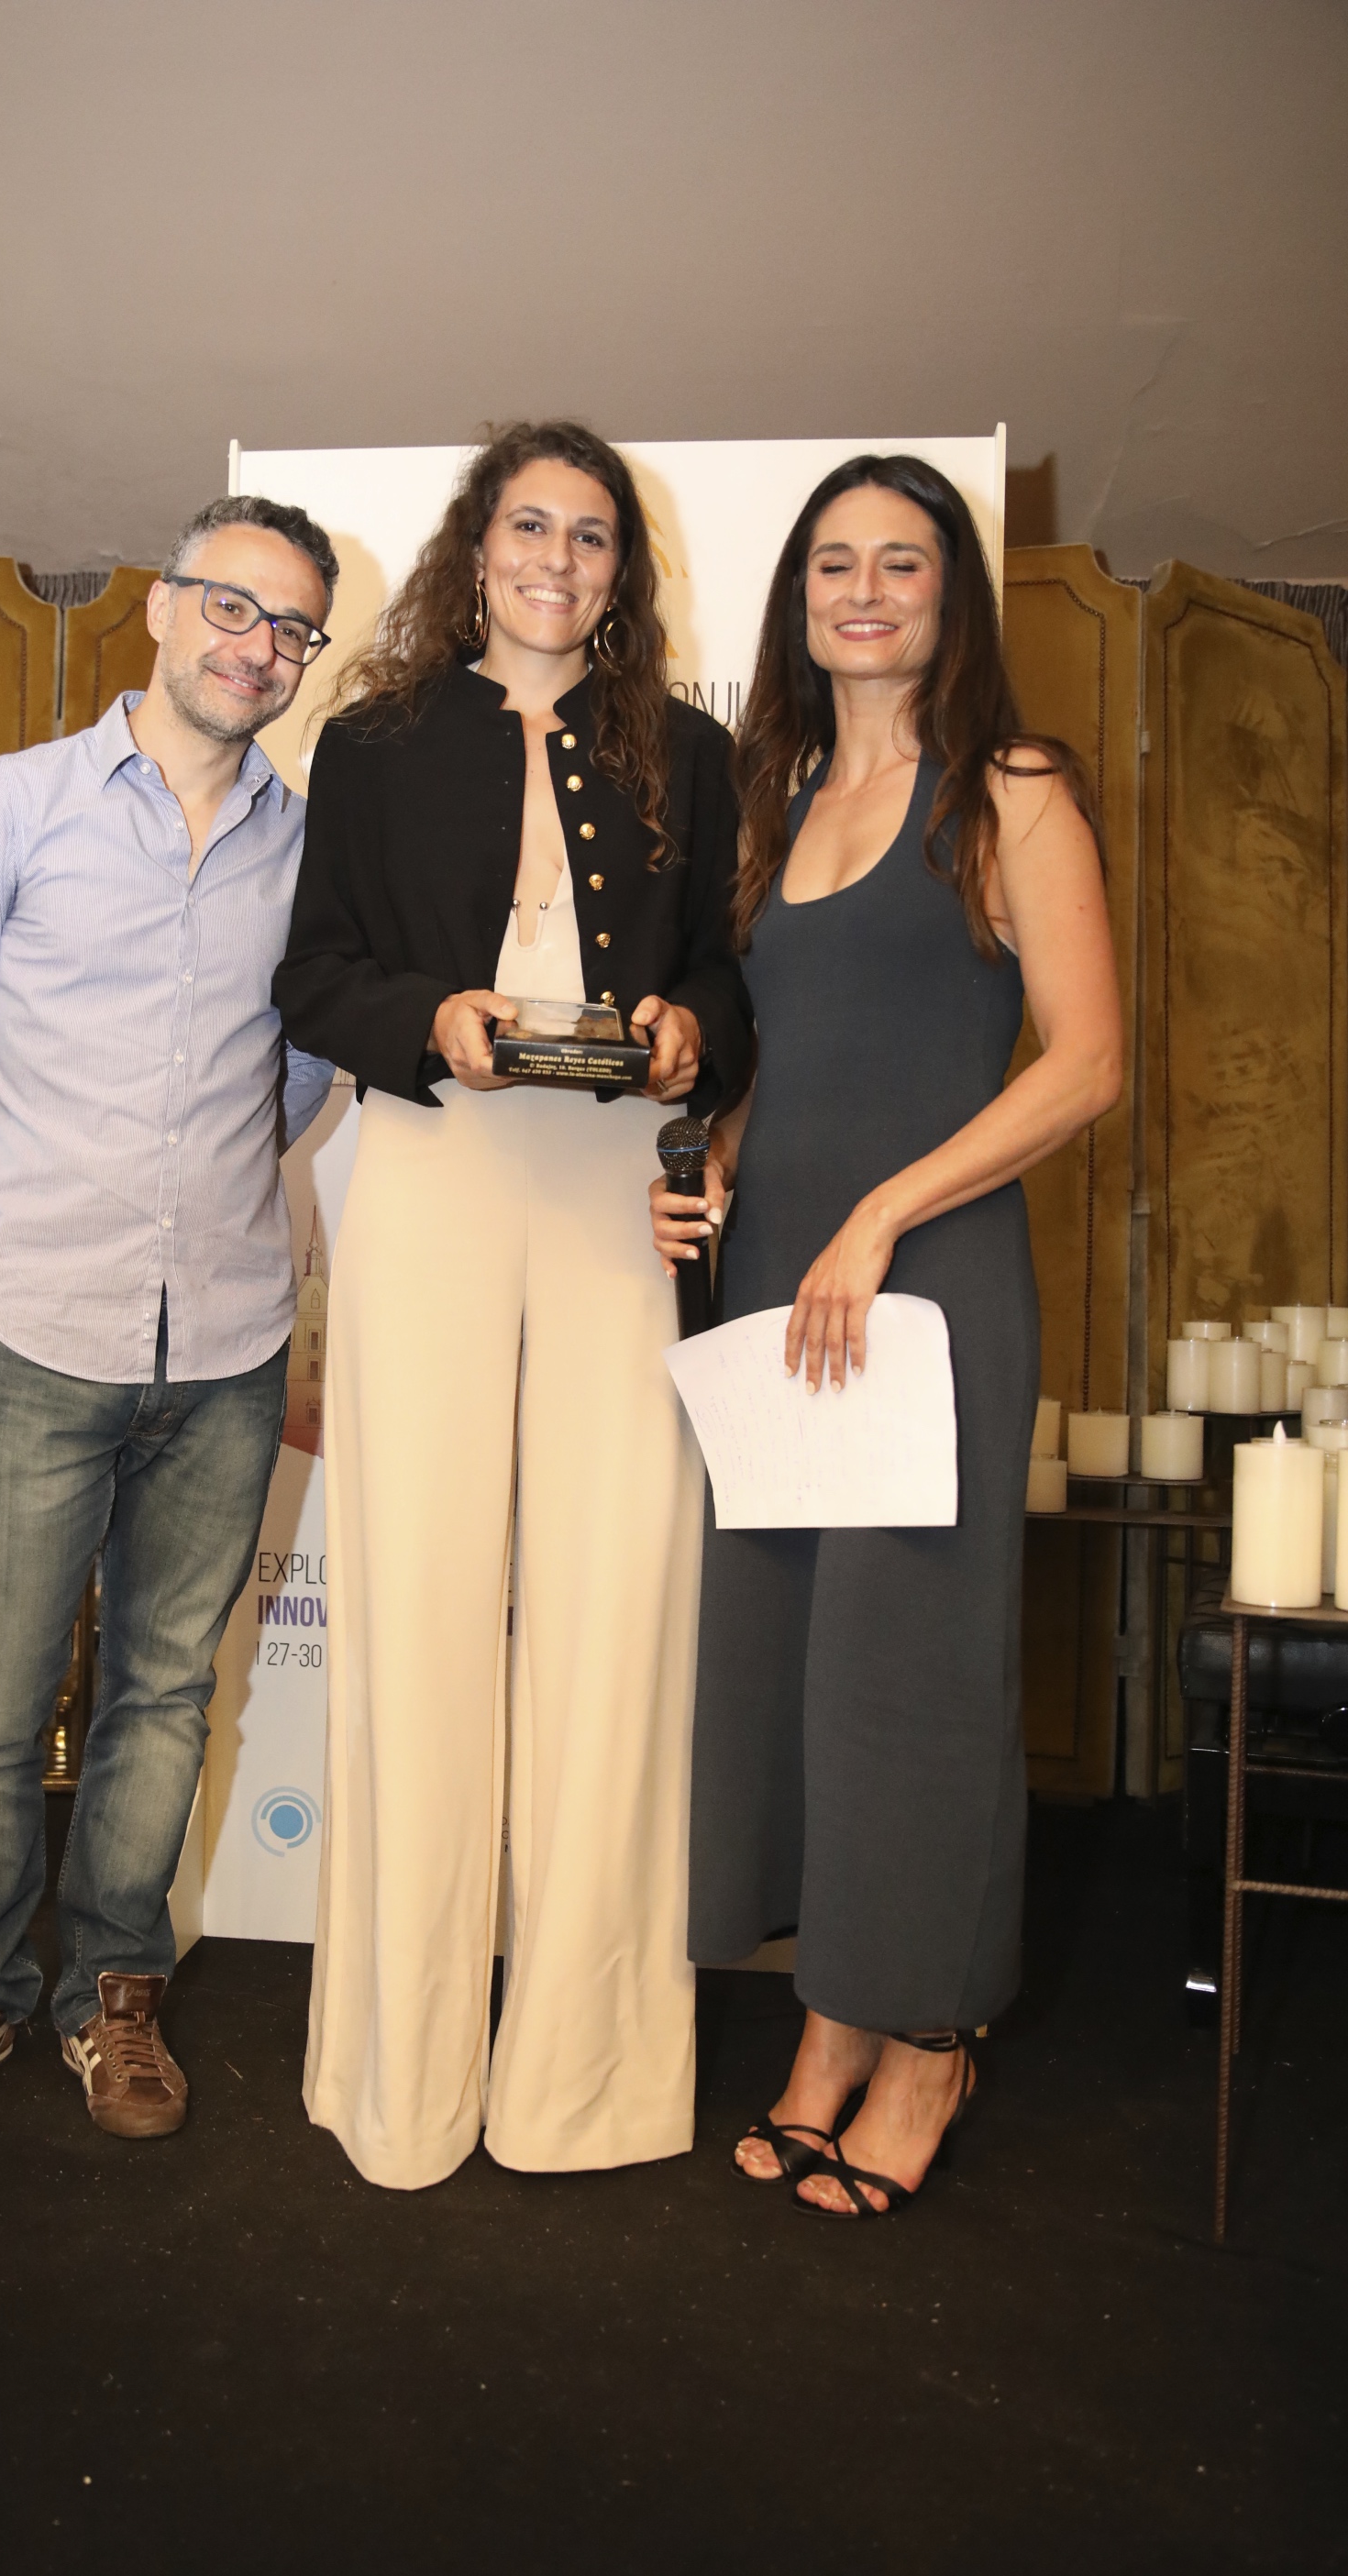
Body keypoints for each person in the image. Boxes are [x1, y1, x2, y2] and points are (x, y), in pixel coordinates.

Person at [273, 420, 753, 2190]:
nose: (557, 557)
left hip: (618, 1187)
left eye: (591, 534)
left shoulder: (689, 752)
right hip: (434, 1167)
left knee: (616, 1607)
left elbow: (727, 975)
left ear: (622, 570)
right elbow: (312, 974)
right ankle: (400, 2079)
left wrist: (693, 1030)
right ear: (476, 546)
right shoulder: (375, 740)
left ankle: (585, 2082)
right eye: (529, 524)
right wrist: (431, 1018)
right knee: (413, 1599)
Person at [651, 454, 1121, 2217]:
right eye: (833, 563)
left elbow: (1085, 1062)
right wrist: (713, 1171)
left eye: (900, 562)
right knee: (794, 1668)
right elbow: (780, 1055)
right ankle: (827, 2027)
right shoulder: (774, 800)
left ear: (950, 593)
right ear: (799, 599)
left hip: (925, 1285)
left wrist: (881, 1212)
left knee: (912, 1671)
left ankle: (927, 2038)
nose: (863, 590)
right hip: (780, 1284)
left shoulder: (1010, 787)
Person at [0, 493, 339, 2142]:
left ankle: (114, 1991)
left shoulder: (303, 847)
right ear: (161, 607)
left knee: (163, 1695)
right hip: (38, 1331)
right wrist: (12, 1191)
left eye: (291, 627)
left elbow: (305, 1067)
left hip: (228, 1347)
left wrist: (208, 1183)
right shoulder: (13, 804)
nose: (257, 647)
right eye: (232, 606)